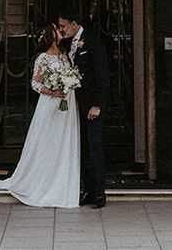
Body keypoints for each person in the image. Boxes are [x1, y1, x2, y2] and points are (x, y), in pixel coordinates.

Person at [0, 23, 80, 208]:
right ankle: (41, 183)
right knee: (47, 143)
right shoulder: (43, 58)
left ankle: (62, 182)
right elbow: (35, 84)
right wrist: (53, 91)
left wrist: (68, 85)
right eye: (57, 29)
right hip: (51, 104)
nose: (60, 31)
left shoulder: (65, 55)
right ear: (50, 35)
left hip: (67, 106)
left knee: (63, 143)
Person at [57, 14, 109, 209]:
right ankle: (87, 189)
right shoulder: (68, 44)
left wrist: (98, 104)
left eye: (64, 25)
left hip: (92, 105)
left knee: (94, 144)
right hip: (76, 105)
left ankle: (99, 192)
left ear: (74, 24)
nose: (62, 29)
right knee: (83, 147)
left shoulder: (93, 43)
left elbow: (102, 75)